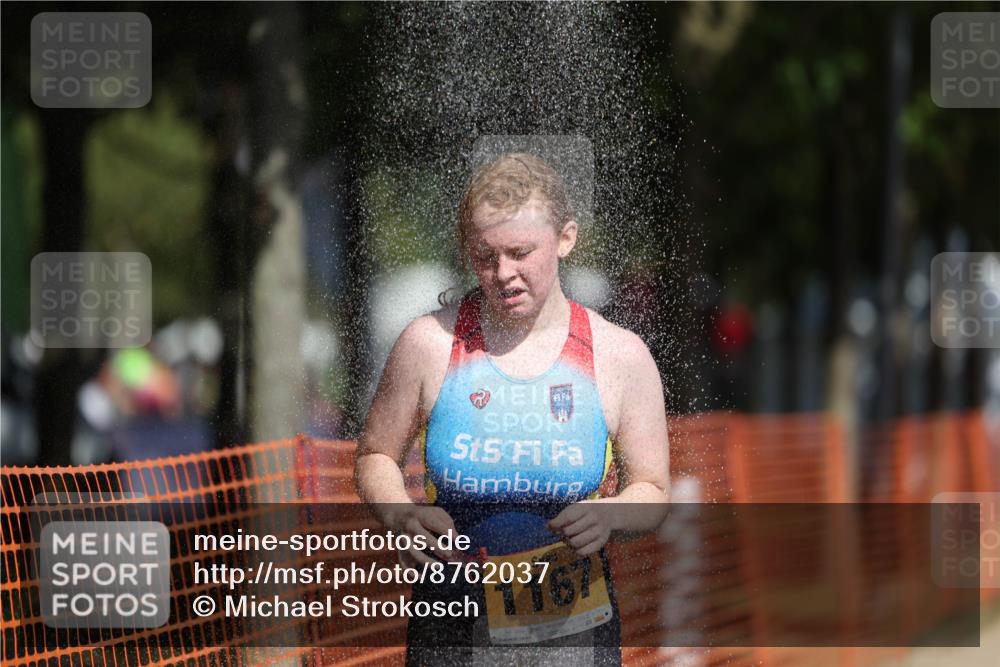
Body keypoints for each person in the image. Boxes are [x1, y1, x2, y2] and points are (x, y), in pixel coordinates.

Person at [355, 153, 670, 666]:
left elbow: (653, 489)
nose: (503, 273)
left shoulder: (620, 354)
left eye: (521, 252)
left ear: (566, 238)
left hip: (575, 633)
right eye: (485, 256)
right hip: (451, 626)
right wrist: (400, 512)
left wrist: (610, 515)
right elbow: (375, 455)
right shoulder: (429, 343)